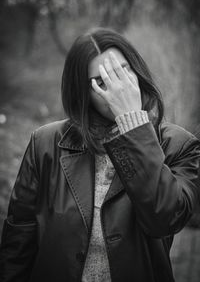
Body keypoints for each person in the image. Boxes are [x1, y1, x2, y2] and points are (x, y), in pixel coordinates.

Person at [0, 27, 200, 282]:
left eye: (123, 72)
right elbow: (17, 247)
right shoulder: (45, 143)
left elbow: (164, 219)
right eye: (102, 82)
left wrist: (134, 125)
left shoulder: (180, 145)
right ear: (83, 93)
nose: (119, 89)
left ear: (137, 71)